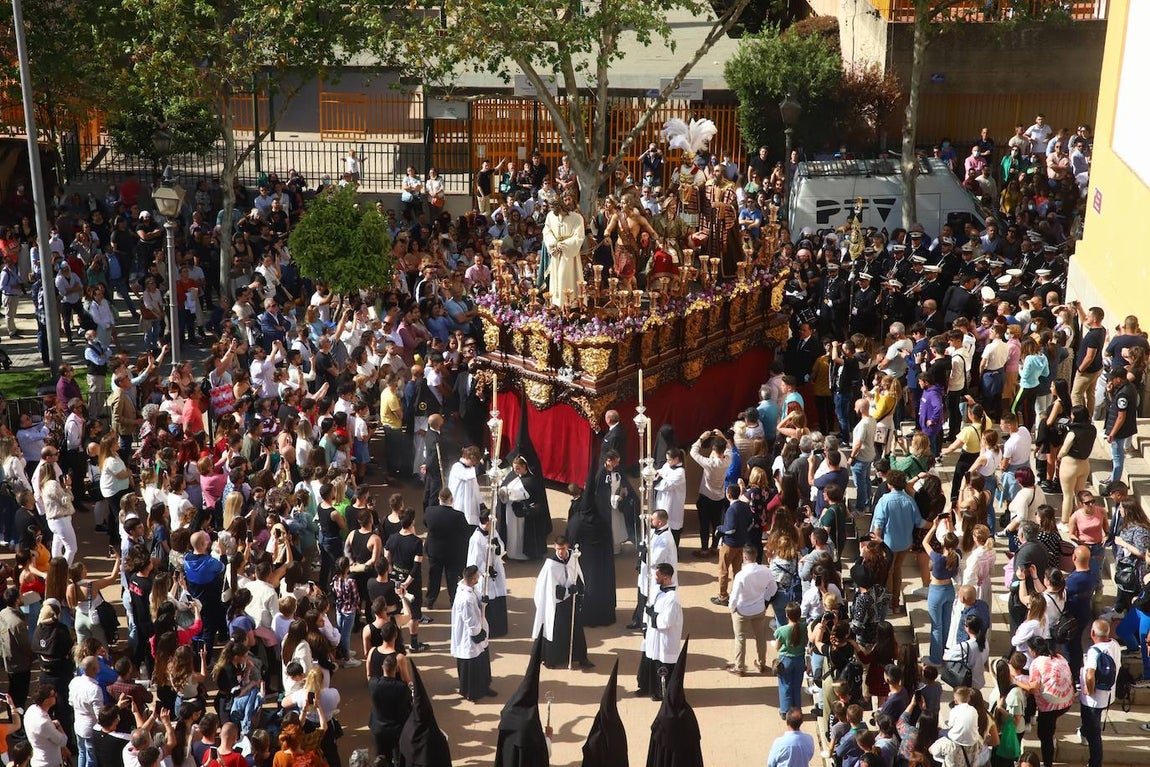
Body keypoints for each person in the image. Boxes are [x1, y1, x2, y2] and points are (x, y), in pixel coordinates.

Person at [531, 536, 591, 669]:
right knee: (556, 630)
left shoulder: (573, 558)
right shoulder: (550, 565)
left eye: (563, 549)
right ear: (554, 548)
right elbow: (550, 589)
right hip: (557, 604)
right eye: (558, 549)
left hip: (571, 601)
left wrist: (578, 590)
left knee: (576, 629)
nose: (561, 552)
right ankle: (551, 659)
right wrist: (568, 591)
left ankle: (581, 657)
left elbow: (578, 575)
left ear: (567, 546)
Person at [870, 470, 923, 613]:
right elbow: (919, 521)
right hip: (905, 543)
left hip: (888, 544)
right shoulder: (910, 500)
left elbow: (878, 525)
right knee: (897, 570)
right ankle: (895, 603)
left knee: (888, 572)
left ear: (889, 484)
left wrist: (875, 545)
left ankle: (887, 604)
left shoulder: (884, 500)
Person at [725, 544, 776, 677]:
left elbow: (734, 595)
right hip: (759, 609)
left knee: (740, 638)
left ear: (744, 556)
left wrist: (732, 608)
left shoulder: (741, 575)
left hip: (742, 610)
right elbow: (773, 588)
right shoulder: (766, 571)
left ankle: (739, 667)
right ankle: (761, 663)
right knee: (760, 637)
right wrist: (765, 600)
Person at [636, 563, 682, 701]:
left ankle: (662, 692)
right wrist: (646, 622)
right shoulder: (657, 590)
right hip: (653, 635)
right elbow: (648, 606)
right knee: (650, 659)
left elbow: (667, 621)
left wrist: (653, 615)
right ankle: (647, 687)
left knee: (662, 665)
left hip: (664, 638)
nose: (656, 577)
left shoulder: (672, 598)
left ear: (666, 577)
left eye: (658, 575)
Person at [450, 565, 495, 702]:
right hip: (469, 636)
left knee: (482, 661)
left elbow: (477, 597)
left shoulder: (468, 588)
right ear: (472, 578)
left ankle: (484, 687)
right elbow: (470, 619)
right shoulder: (465, 599)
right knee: (472, 665)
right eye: (477, 576)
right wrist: (477, 633)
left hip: (478, 629)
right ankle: (471, 692)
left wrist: (483, 600)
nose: (479, 578)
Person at [1080, 619, 1121, 767]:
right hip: (1108, 695)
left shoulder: (1094, 651)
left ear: (1092, 633)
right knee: (1091, 725)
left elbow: (1090, 674)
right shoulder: (1115, 645)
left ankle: (1095, 763)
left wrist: (1089, 690)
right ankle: (1084, 732)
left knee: (1094, 733)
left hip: (1093, 700)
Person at [629, 508, 678, 631]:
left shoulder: (665, 539)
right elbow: (648, 540)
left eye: (653, 519)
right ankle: (639, 619)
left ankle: (645, 623)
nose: (650, 520)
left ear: (660, 522)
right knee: (642, 594)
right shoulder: (656, 531)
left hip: (656, 574)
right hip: (646, 572)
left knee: (650, 598)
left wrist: (644, 552)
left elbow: (655, 560)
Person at [422, 487, 470, 610]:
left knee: (434, 577)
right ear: (451, 499)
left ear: (438, 498)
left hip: (435, 550)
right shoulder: (458, 516)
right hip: (452, 552)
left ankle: (430, 600)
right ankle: (454, 600)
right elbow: (465, 532)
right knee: (452, 578)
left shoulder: (429, 511)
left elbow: (426, 523)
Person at [690, 430, 732, 556]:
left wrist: (702, 438)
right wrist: (722, 436)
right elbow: (729, 447)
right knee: (717, 523)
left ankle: (704, 549)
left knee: (704, 524)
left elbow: (693, 451)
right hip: (719, 497)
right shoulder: (727, 461)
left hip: (706, 496)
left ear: (714, 448)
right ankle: (714, 546)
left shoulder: (709, 463)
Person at [467, 511, 508, 638]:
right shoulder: (476, 538)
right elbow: (474, 561)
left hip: (497, 569)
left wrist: (497, 546)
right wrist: (486, 570)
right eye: (488, 523)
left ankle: (500, 628)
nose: (490, 525)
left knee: (498, 596)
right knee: (487, 599)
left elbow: (501, 547)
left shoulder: (493, 531)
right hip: (484, 575)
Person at [541, 194, 586, 308]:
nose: (554, 212)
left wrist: (564, 244)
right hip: (556, 252)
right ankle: (557, 303)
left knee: (565, 276)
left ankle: (572, 304)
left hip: (569, 254)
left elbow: (579, 236)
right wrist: (553, 243)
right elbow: (547, 231)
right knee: (556, 277)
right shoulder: (551, 216)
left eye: (556, 209)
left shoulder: (576, 218)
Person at [25, 683, 70, 767]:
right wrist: (58, 726)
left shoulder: (31, 709)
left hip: (37, 760)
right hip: (49, 763)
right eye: (53, 695)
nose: (55, 696)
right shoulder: (43, 723)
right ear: (46, 701)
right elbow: (63, 741)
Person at [654, 447, 687, 545]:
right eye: (667, 459)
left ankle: (674, 551)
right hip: (663, 500)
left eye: (669, 459)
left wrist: (657, 480)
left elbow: (666, 485)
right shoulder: (667, 465)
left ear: (676, 459)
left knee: (673, 527)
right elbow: (660, 472)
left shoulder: (680, 472)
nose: (667, 461)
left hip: (673, 503)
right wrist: (655, 474)